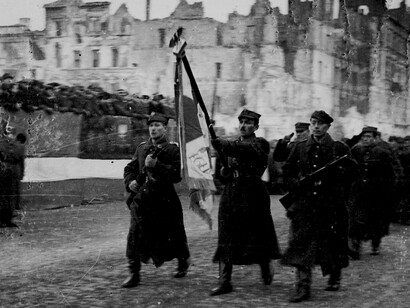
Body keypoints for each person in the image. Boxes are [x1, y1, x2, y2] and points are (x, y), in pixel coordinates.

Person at [281, 110, 357, 303]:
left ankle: (334, 277)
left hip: (330, 205)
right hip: (305, 204)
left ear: (328, 126)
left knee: (332, 243)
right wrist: (295, 184)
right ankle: (303, 286)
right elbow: (288, 170)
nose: (316, 126)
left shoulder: (338, 148)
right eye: (313, 122)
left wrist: (336, 182)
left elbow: (352, 174)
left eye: (320, 123)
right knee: (302, 244)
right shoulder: (299, 147)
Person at [209, 109, 281, 296]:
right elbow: (220, 176)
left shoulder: (260, 143)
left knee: (258, 234)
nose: (243, 126)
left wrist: (225, 145)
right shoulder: (230, 145)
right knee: (227, 236)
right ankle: (225, 281)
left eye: (248, 123)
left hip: (253, 193)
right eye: (241, 122)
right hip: (232, 193)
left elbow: (251, 152)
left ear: (256, 126)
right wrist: (225, 171)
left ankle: (265, 265)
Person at [121, 112, 190, 288]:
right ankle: (134, 273)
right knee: (135, 234)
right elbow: (130, 168)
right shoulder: (142, 148)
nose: (153, 129)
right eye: (151, 125)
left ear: (165, 129)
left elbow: (176, 176)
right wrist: (130, 183)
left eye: (158, 125)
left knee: (173, 234)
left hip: (164, 200)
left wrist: (156, 165)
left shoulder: (173, 149)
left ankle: (183, 261)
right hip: (143, 200)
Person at [348, 126, 396, 259]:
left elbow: (390, 173)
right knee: (356, 219)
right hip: (358, 191)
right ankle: (355, 247)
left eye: (368, 137)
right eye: (363, 137)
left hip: (376, 192)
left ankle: (375, 243)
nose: (365, 139)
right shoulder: (355, 150)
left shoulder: (382, 152)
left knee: (375, 219)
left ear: (375, 138)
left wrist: (386, 189)